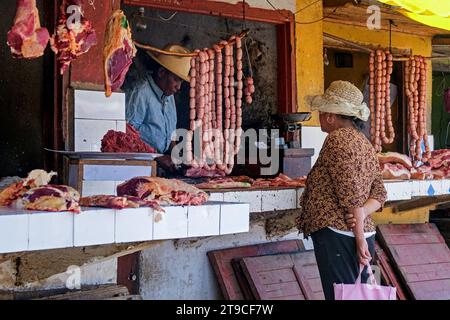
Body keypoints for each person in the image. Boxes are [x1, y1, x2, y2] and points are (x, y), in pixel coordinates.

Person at [297, 80, 387, 300]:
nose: (320, 116)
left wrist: (359, 241)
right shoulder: (363, 142)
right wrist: (364, 215)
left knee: (340, 295)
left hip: (341, 234)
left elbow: (350, 198)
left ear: (330, 115)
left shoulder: (336, 140)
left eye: (322, 111)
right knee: (354, 294)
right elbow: (380, 193)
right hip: (362, 231)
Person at [125, 44, 191, 173]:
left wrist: (176, 157)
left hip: (160, 165)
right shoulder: (140, 92)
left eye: (181, 82)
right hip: (138, 165)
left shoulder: (168, 94)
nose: (178, 87)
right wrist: (157, 158)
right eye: (176, 80)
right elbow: (128, 133)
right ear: (161, 73)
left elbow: (171, 133)